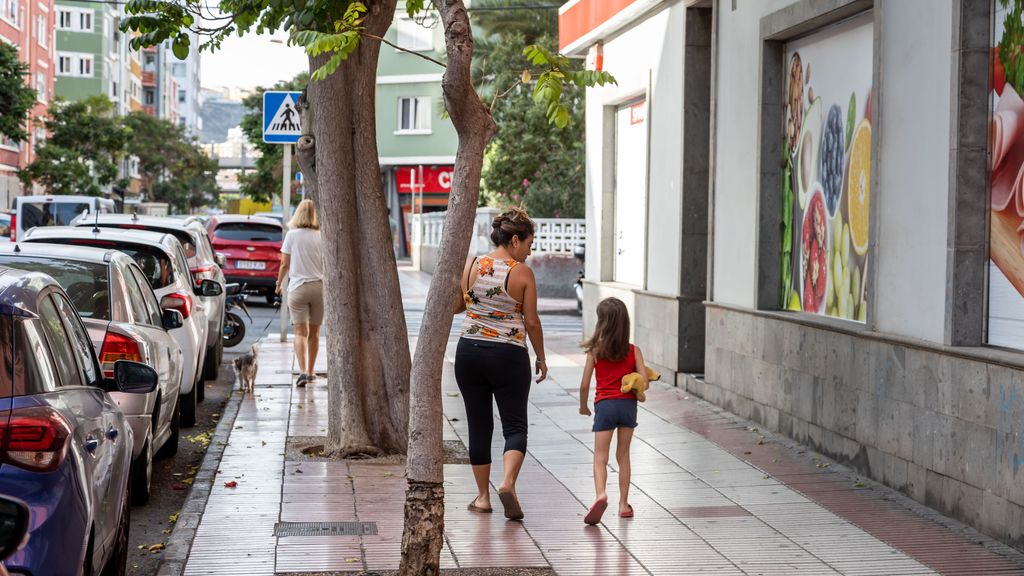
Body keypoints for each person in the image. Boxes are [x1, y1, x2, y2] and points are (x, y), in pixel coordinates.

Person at [454, 207, 547, 521]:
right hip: (507, 354)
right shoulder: (520, 273)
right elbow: (531, 322)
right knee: (515, 426)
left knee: (478, 426)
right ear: (516, 240)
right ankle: (507, 482)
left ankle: (482, 497)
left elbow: (457, 306)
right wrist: (542, 358)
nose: (530, 252)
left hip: (469, 352)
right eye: (529, 245)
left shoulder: (472, 264)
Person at [578, 297, 648, 525]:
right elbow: (644, 382)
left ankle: (601, 495)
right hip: (628, 407)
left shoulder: (595, 351)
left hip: (605, 406)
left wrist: (583, 406)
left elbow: (585, 384)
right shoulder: (633, 350)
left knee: (600, 457)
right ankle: (624, 504)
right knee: (623, 456)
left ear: (601, 323)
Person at [276, 200, 324, 387]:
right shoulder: (322, 236)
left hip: (297, 288)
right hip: (319, 287)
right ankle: (311, 372)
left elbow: (284, 264)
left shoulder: (292, 235)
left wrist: (279, 283)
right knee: (315, 333)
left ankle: (302, 371)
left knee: (299, 333)